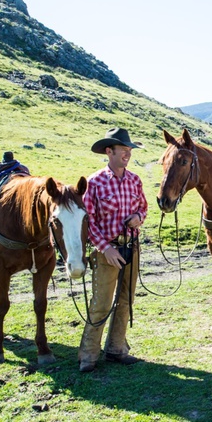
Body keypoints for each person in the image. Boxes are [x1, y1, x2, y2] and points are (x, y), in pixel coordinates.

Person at [78, 127, 148, 373]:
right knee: (101, 303)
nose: (128, 154)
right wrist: (104, 248)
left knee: (126, 300)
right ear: (109, 151)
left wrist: (139, 217)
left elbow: (144, 207)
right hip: (106, 250)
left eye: (129, 150)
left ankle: (117, 349)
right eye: (123, 150)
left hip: (131, 246)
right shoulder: (94, 182)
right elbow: (89, 221)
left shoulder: (135, 180)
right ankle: (88, 354)